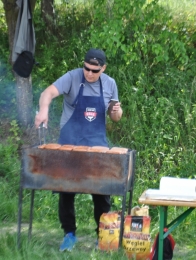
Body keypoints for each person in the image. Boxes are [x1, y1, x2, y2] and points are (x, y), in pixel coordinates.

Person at [35, 48, 123, 251]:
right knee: (66, 191)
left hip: (97, 144)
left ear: (103, 68)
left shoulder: (109, 84)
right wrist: (44, 110)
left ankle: (102, 236)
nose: (90, 73)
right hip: (70, 142)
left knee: (102, 192)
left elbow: (115, 117)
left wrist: (116, 112)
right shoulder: (72, 77)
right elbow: (47, 93)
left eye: (95, 70)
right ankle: (69, 234)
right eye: (87, 68)